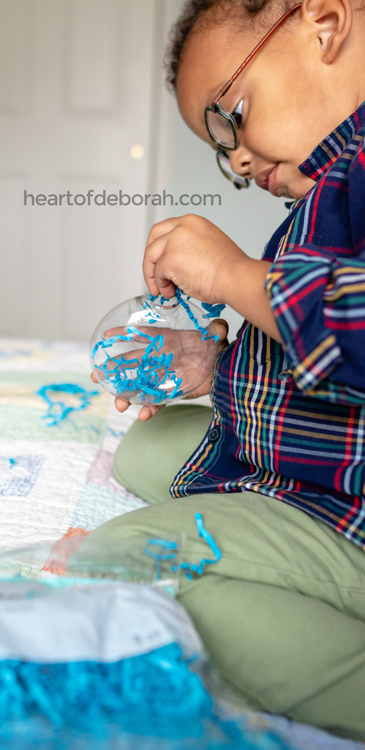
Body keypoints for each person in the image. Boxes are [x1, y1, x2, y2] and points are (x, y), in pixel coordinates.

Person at [77, 0, 365, 739]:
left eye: (230, 115)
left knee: (145, 572)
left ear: (327, 23)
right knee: (144, 447)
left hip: (346, 512)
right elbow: (315, 364)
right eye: (219, 145)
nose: (235, 158)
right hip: (309, 471)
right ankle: (245, 496)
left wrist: (234, 273)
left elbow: (349, 322)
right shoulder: (325, 184)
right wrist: (213, 365)